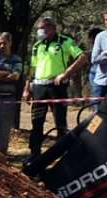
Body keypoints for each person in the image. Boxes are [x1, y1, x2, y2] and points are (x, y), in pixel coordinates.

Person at [22, 17, 89, 158]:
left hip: (56, 86)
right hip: (39, 86)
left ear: (51, 28)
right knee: (36, 121)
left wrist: (65, 74)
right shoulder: (37, 46)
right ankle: (34, 154)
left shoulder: (64, 41)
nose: (39, 31)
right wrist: (27, 88)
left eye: (42, 28)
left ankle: (63, 155)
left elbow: (82, 57)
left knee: (60, 121)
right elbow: (32, 68)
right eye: (38, 28)